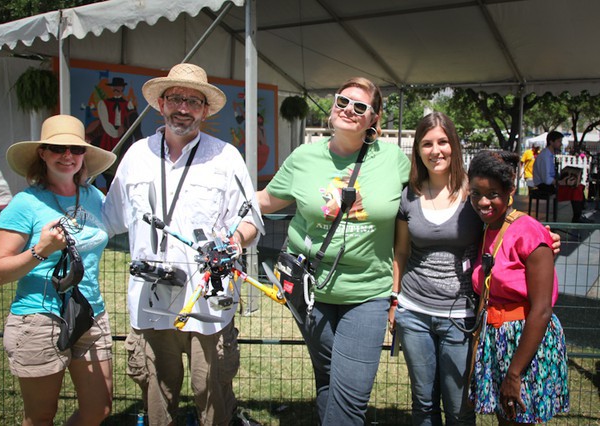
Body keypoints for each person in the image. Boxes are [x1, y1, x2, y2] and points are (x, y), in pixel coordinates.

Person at [103, 63, 262, 426]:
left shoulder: (226, 157)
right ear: (161, 104)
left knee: (213, 394)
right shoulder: (136, 157)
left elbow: (252, 220)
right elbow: (108, 219)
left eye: (193, 101)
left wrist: (235, 240)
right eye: (176, 98)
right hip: (151, 300)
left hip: (208, 302)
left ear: (205, 111)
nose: (183, 108)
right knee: (158, 396)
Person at [257, 77, 411, 425]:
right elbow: (267, 200)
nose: (348, 110)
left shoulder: (394, 160)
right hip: (311, 293)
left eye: (360, 107)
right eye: (343, 101)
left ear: (373, 118)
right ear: (332, 106)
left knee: (350, 398)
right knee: (327, 382)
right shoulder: (304, 157)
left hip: (367, 293)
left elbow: (434, 189)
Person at [0, 114, 117, 425]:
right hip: (39, 317)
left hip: (90, 314)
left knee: (98, 410)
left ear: (85, 155)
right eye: (57, 149)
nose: (67, 156)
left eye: (75, 149)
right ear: (42, 154)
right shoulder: (25, 203)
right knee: (41, 416)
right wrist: (39, 251)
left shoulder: (95, 197)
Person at [467, 150, 569, 424]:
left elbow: (542, 309)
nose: (483, 202)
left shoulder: (529, 231)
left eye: (493, 194)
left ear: (510, 190)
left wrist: (515, 373)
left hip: (524, 343)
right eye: (475, 193)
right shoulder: (489, 227)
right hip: (496, 338)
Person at [391, 112, 478, 425]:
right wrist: (394, 299)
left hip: (461, 317)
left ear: (454, 145)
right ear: (418, 150)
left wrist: (541, 237)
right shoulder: (409, 196)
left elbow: (507, 228)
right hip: (413, 313)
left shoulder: (474, 193)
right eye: (426, 143)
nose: (435, 150)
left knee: (459, 408)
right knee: (423, 404)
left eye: (442, 141)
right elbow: (401, 251)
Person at [533, 130, 586, 222]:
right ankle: (577, 218)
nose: (560, 144)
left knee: (579, 186)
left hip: (549, 183)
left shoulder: (549, 155)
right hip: (544, 185)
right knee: (576, 188)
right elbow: (547, 179)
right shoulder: (545, 156)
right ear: (551, 142)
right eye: (559, 141)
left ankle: (579, 215)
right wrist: (562, 182)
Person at [97, 76, 135, 152]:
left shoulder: (128, 104)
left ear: (123, 88)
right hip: (109, 135)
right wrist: (115, 133)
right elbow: (105, 121)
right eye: (114, 86)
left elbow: (133, 120)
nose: (116, 88)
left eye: (119, 86)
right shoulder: (104, 103)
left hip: (124, 136)